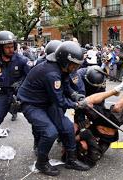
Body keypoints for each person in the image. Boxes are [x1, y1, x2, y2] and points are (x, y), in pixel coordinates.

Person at [17, 41, 90, 176]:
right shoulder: (51, 73)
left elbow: (66, 85)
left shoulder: (63, 68)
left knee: (67, 127)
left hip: (47, 102)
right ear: (64, 61)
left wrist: (75, 95)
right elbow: (60, 101)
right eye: (74, 65)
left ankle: (71, 160)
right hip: (31, 104)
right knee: (50, 132)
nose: (75, 68)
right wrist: (77, 105)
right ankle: (41, 162)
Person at [0, 31, 32, 166]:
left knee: (36, 119)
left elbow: (32, 78)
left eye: (12, 46)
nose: (10, 49)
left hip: (22, 95)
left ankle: (38, 144)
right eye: (7, 47)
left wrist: (20, 83)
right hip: (4, 95)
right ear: (0, 48)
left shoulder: (22, 60)